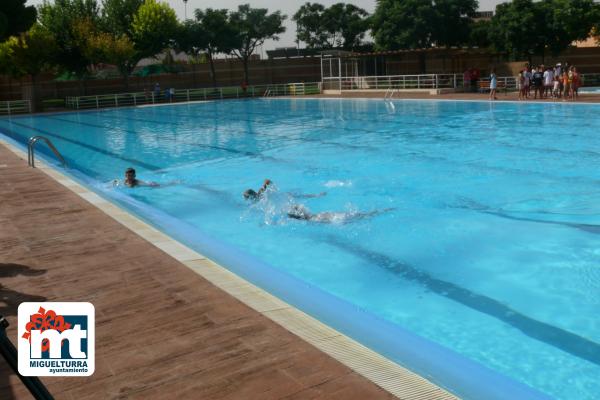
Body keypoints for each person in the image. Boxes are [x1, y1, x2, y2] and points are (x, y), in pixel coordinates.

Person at [286, 204, 394, 224]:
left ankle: (383, 211)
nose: (305, 208)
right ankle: (384, 211)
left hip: (339, 217)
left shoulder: (313, 217)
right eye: (302, 209)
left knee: (365, 215)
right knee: (366, 215)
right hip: (340, 219)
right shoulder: (313, 219)